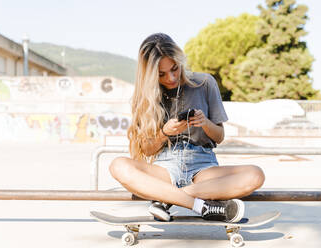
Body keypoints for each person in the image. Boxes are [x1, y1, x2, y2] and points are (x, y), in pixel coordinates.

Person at [109, 33, 265, 223]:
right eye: (161, 74)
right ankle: (202, 206)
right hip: (165, 165)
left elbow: (220, 136)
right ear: (150, 75)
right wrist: (165, 133)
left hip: (203, 165)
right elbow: (147, 149)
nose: (171, 77)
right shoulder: (145, 97)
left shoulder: (205, 83)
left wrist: (205, 123)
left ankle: (166, 200)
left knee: (255, 175)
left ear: (180, 60)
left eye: (175, 68)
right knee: (118, 166)